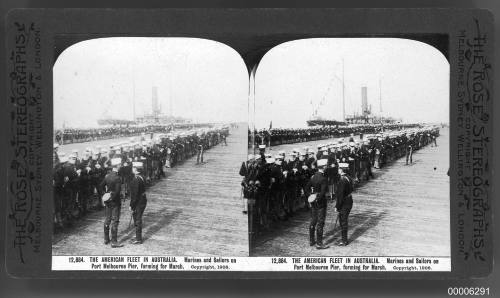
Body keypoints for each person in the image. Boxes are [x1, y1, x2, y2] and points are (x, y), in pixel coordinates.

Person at [305, 159, 330, 249]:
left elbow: (306, 188)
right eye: (326, 166)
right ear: (323, 167)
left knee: (313, 220)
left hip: (313, 203)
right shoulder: (323, 179)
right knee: (320, 222)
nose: (327, 167)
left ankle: (311, 240)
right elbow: (323, 192)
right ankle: (319, 243)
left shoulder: (313, 177)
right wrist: (317, 199)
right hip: (321, 203)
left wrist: (311, 197)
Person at [100, 157, 124, 248]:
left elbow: (101, 186)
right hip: (115, 201)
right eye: (120, 165)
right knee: (115, 220)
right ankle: (114, 241)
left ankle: (106, 239)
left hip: (107, 202)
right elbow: (117, 191)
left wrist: (105, 195)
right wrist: (112, 197)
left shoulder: (107, 176)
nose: (121, 166)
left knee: (107, 219)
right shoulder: (117, 178)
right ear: (117, 166)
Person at [129, 162, 147, 244]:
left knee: (137, 219)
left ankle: (138, 239)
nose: (132, 169)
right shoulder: (142, 176)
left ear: (136, 169)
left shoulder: (136, 179)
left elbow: (135, 195)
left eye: (133, 167)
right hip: (143, 200)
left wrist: (131, 206)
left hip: (138, 202)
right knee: (138, 218)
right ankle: (137, 236)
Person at [335, 163, 353, 246]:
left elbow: (340, 195)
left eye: (339, 168)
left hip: (344, 203)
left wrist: (337, 206)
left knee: (343, 221)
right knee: (344, 220)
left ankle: (344, 240)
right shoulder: (348, 177)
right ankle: (344, 239)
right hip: (349, 200)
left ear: (342, 169)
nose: (338, 170)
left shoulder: (342, 180)